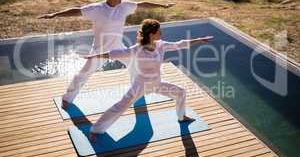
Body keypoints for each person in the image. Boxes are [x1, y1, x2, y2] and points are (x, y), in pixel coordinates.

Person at [38, 0, 176, 108]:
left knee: (135, 67)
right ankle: (68, 98)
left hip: (118, 47)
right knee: (83, 74)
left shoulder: (124, 6)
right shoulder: (97, 9)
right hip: (99, 49)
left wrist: (162, 5)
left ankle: (136, 91)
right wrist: (55, 14)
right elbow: (77, 10)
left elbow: (142, 4)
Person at [84, 19, 213, 142]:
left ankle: (182, 116)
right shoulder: (137, 49)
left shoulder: (160, 45)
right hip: (140, 85)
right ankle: (95, 130)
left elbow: (179, 44)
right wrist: (94, 55)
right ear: (151, 34)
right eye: (159, 31)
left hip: (156, 83)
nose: (161, 33)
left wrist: (199, 40)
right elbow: (115, 53)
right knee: (120, 106)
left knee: (180, 93)